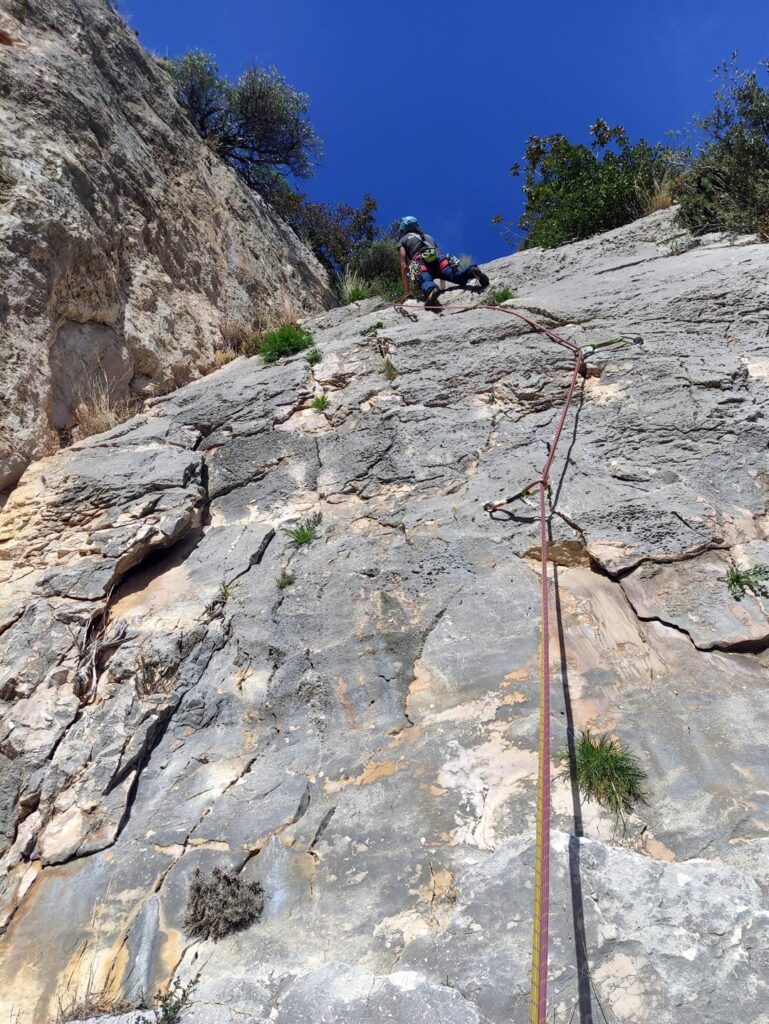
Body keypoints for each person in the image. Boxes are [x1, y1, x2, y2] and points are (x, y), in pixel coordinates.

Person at [397, 216, 489, 309]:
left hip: (421, 262)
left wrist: (407, 293)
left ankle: (432, 289)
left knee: (425, 280)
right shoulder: (428, 237)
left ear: (403, 228)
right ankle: (472, 271)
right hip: (439, 260)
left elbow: (404, 265)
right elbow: (437, 254)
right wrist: (443, 286)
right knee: (457, 276)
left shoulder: (403, 239)